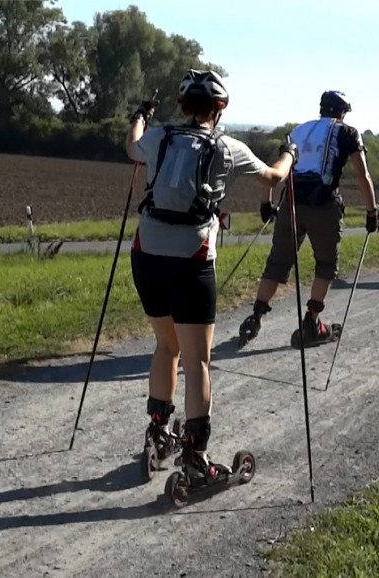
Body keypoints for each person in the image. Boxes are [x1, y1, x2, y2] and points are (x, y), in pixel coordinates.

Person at [124, 69, 298, 484]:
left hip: (146, 254)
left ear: (183, 106)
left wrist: (141, 116)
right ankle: (195, 456)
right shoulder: (228, 147)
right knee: (198, 360)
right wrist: (289, 153)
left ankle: (158, 433)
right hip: (193, 258)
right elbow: (274, 177)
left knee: (166, 346)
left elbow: (131, 147)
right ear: (219, 109)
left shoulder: (159, 137)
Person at [237, 90, 379, 349]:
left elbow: (274, 168)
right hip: (324, 204)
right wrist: (372, 211)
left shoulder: (298, 130)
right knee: (325, 265)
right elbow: (362, 175)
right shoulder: (348, 132)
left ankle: (256, 316)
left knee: (278, 262)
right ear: (342, 112)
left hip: (290, 203)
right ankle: (311, 321)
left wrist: (266, 202)